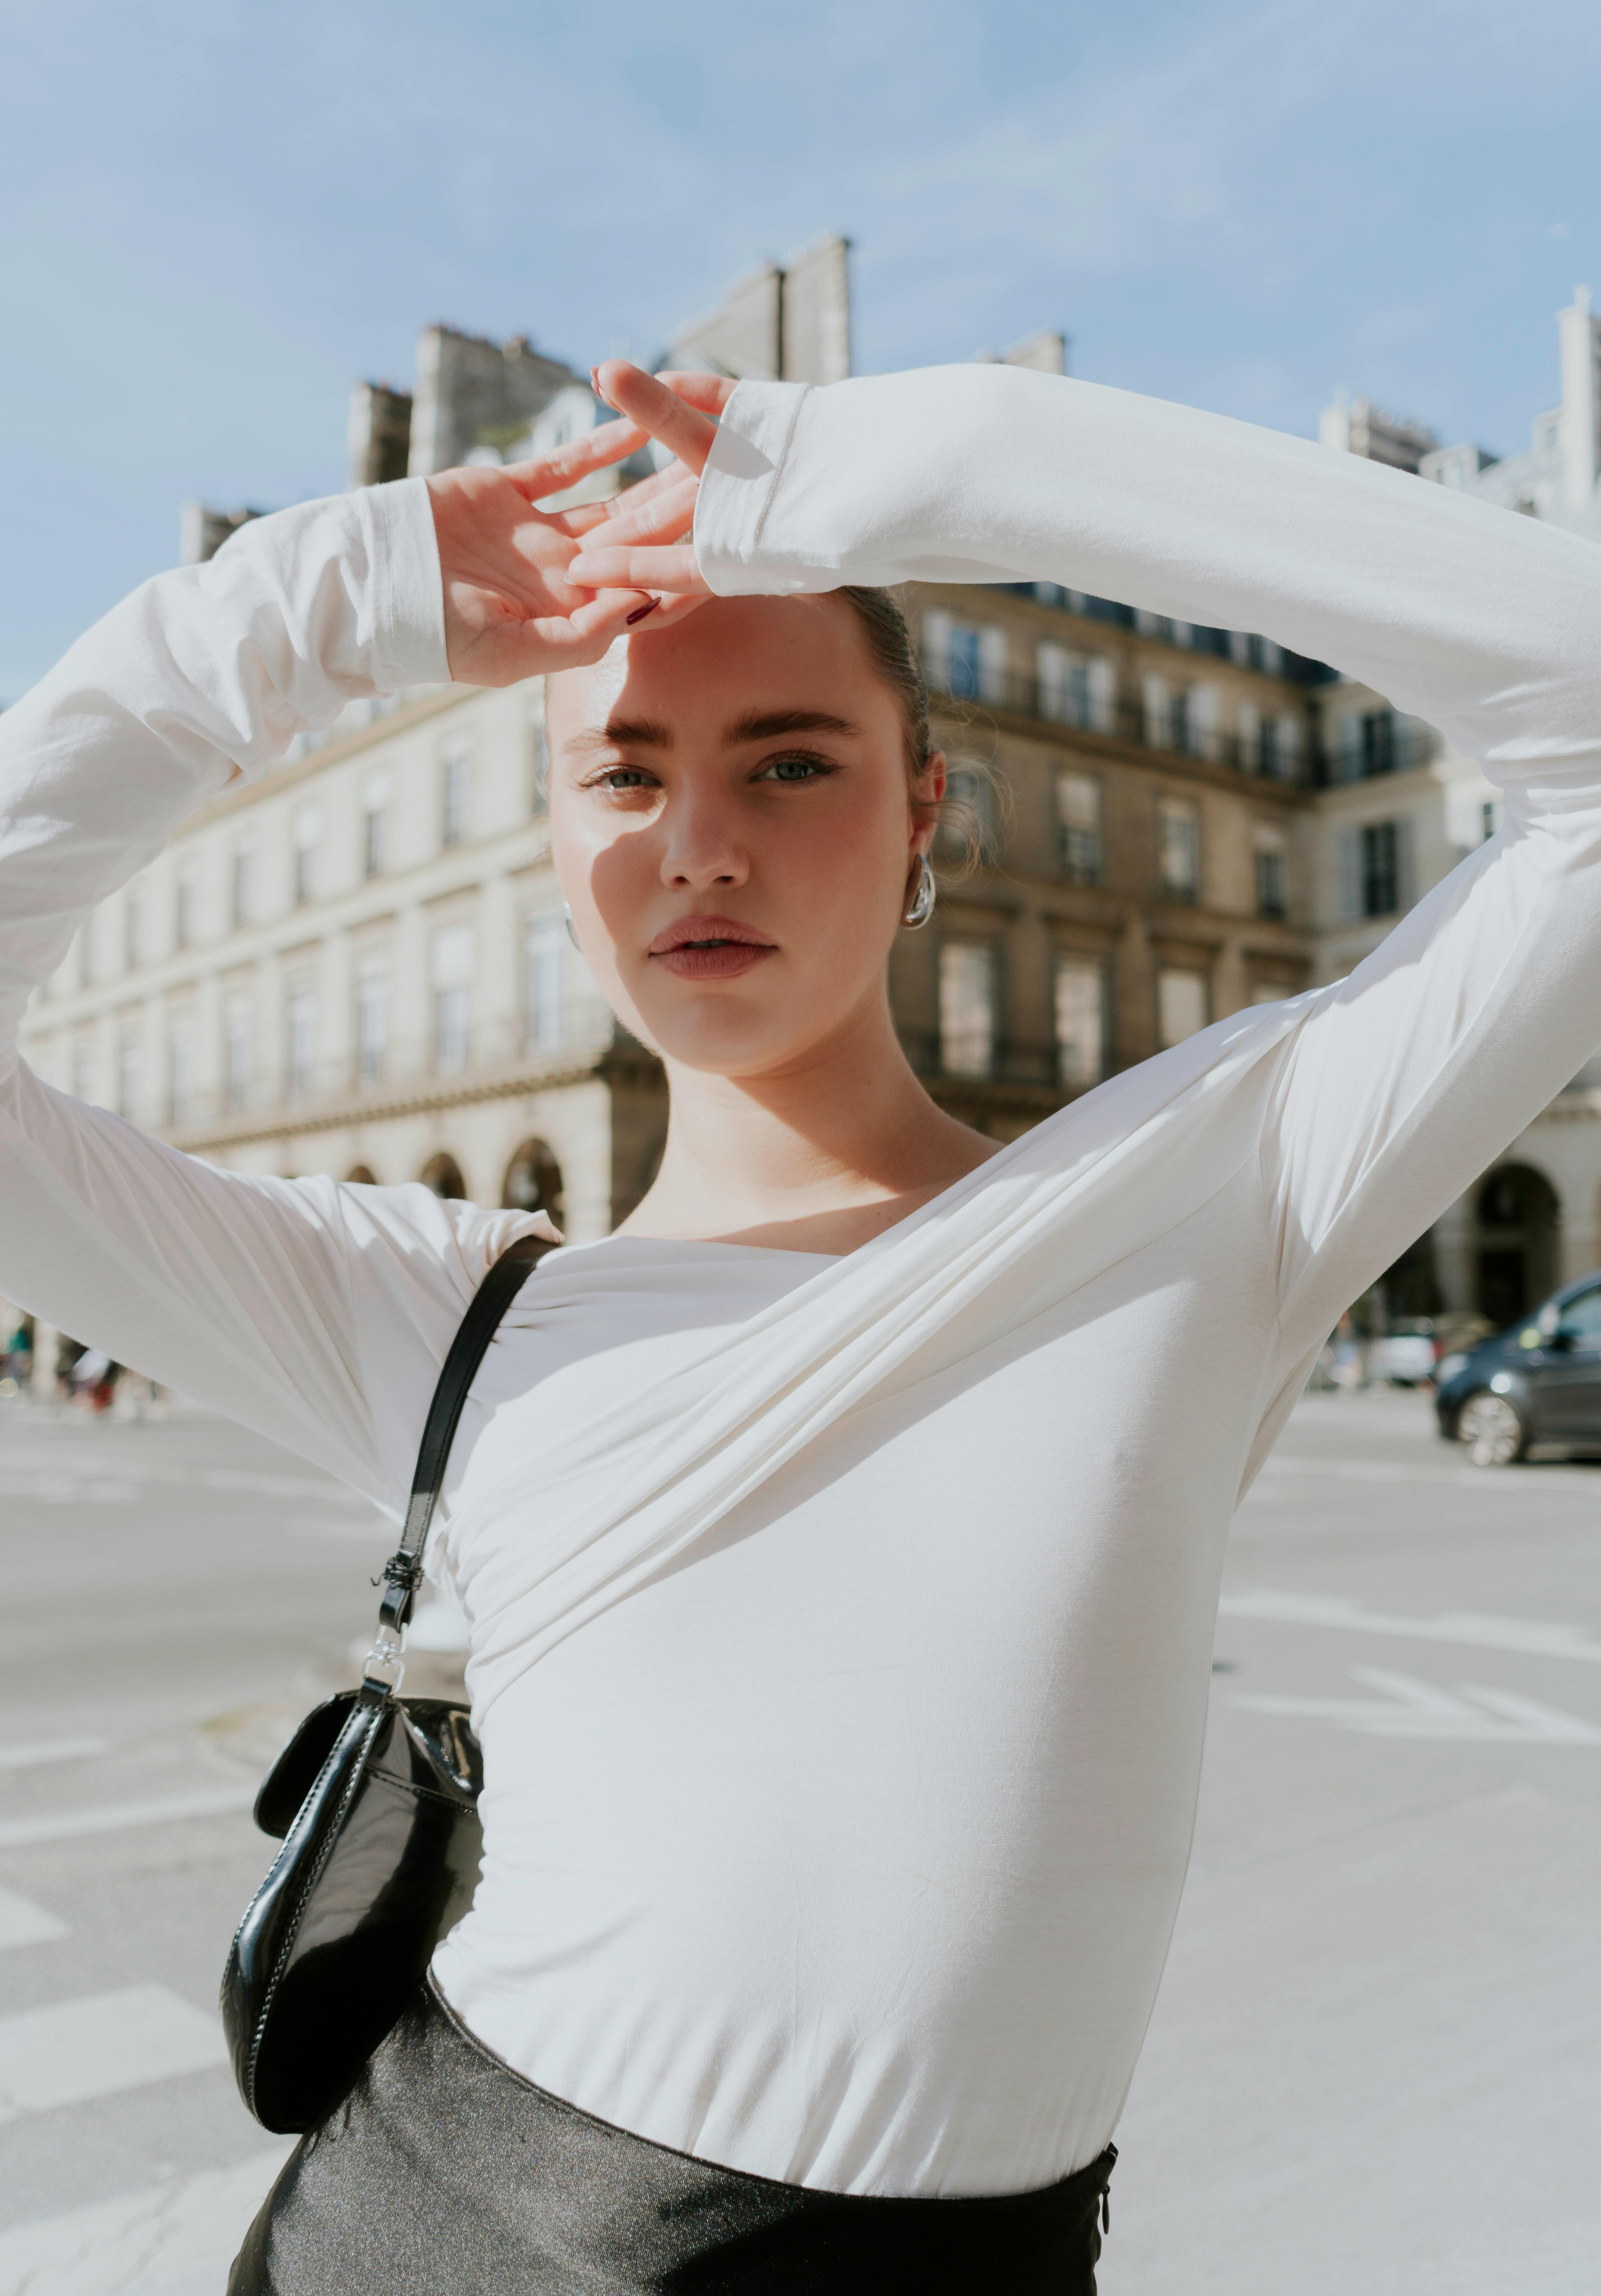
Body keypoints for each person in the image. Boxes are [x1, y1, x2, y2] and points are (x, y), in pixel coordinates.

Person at [2, 355, 1597, 2294]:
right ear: (556, 850)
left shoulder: (1197, 1193)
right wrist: (297, 612)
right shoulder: (437, 1311)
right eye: (625, 772)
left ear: (926, 808)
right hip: (439, 2236)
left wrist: (925, 469)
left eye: (787, 759)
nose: (700, 845)